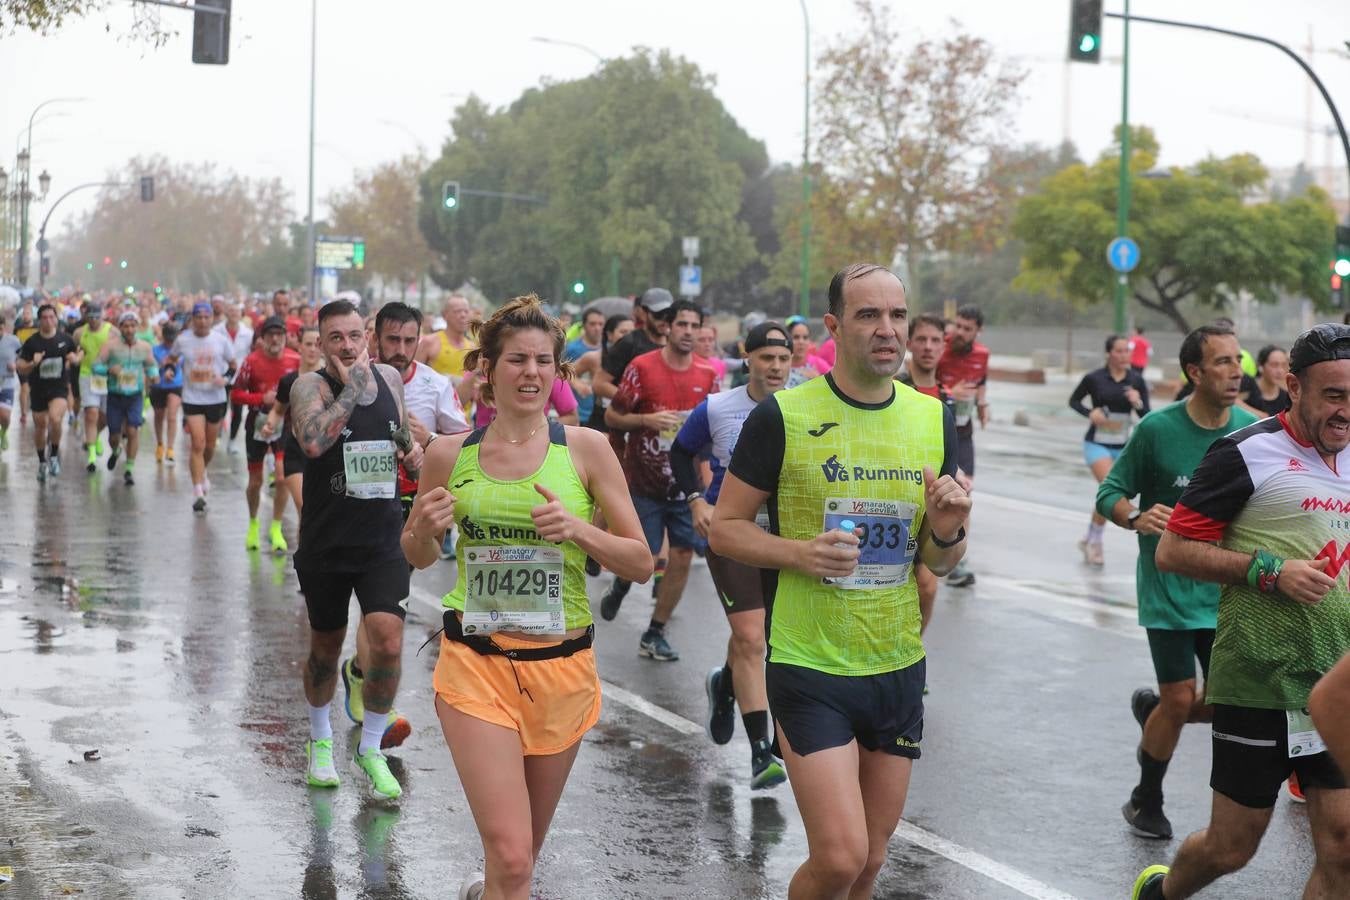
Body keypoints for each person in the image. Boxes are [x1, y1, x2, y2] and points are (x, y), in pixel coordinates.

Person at [710, 263, 969, 900]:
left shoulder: (934, 419)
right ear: (833, 326)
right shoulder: (783, 417)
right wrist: (799, 553)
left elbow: (940, 563)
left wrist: (946, 529)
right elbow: (724, 529)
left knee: (872, 860)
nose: (888, 330)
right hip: (810, 663)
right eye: (868, 315)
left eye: (898, 315)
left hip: (896, 663)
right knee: (839, 856)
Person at [402, 294, 651, 900]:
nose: (531, 372)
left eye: (544, 361)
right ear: (486, 368)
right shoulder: (447, 453)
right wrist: (423, 530)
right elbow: (416, 555)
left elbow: (641, 561)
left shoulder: (586, 449)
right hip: (474, 668)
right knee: (513, 861)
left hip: (561, 671)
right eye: (516, 359)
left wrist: (578, 529)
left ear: (558, 372)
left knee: (518, 863)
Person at [1133, 322, 1350, 900]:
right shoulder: (1246, 452)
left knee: (1344, 845)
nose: (1345, 412)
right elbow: (1173, 549)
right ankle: (1164, 892)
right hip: (1260, 678)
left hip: (1337, 680)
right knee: (1234, 845)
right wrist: (1268, 571)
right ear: (1293, 387)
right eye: (1333, 395)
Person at [1097, 324, 1258, 840]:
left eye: (1239, 361)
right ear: (1194, 372)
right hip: (1167, 590)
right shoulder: (1157, 431)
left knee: (1230, 701)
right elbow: (1110, 493)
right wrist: (1134, 518)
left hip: (1225, 591)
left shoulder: (1252, 432)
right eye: (1223, 362)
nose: (1236, 372)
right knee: (1183, 695)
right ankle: (1147, 798)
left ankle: (1156, 713)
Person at [288, 299, 423, 801]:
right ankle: (320, 739)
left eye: (354, 336)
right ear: (321, 342)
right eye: (336, 338)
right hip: (327, 542)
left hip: (383, 539)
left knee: (387, 641)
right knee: (326, 648)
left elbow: (401, 437)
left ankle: (371, 748)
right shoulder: (311, 387)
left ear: (365, 336)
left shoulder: (389, 378)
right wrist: (351, 391)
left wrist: (413, 451)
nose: (347, 346)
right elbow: (314, 442)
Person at [334, 302, 470, 750]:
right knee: (381, 607)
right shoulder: (354, 383)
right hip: (361, 506)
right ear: (374, 338)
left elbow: (464, 444)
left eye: (410, 341)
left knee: (386, 606)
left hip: (412, 509)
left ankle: (363, 677)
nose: (401, 350)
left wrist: (426, 442)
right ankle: (369, 686)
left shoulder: (434, 386)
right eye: (392, 340)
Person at [671, 320, 791, 789]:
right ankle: (762, 752)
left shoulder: (802, 408)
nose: (776, 367)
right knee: (751, 636)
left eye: (783, 359)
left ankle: (725, 684)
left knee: (756, 637)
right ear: (749, 359)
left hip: (782, 540)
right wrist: (696, 500)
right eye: (767, 358)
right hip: (730, 533)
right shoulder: (718, 407)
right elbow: (681, 453)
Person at [604, 299, 719, 661]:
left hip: (685, 488)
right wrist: (646, 422)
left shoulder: (707, 375)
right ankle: (621, 583)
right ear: (667, 327)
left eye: (694, 325)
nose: (687, 331)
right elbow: (613, 415)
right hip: (645, 481)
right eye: (681, 324)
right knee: (647, 558)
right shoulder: (642, 368)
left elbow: (712, 433)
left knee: (682, 555)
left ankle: (655, 631)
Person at [899, 312, 962, 663]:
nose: (927, 347)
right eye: (920, 339)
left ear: (943, 346)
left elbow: (961, 445)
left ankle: (910, 649)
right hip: (899, 502)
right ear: (909, 344)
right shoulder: (896, 389)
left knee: (928, 586)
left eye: (935, 340)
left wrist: (963, 478)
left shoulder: (949, 398)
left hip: (936, 506)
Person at [1069, 334, 1151, 567]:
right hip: (1097, 443)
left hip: (1123, 446)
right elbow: (1074, 401)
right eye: (1120, 351)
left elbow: (1147, 416)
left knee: (1111, 493)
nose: (1125, 355)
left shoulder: (1136, 380)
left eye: (1127, 351)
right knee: (1110, 489)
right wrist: (1090, 414)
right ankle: (1095, 541)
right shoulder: (1094, 378)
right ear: (1109, 354)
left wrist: (1138, 403)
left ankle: (1088, 537)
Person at [231, 316, 300, 553]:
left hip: (285, 424)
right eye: (270, 334)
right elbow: (236, 394)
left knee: (282, 477)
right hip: (258, 424)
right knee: (256, 481)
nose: (275, 339)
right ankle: (253, 524)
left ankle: (276, 528)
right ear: (262, 338)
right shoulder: (251, 362)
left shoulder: (295, 360)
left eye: (279, 334)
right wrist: (261, 398)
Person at [935, 303, 989, 588]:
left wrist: (982, 404)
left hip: (964, 433)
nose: (960, 332)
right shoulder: (940, 347)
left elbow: (981, 382)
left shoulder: (983, 355)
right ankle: (930, 551)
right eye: (957, 325)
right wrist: (949, 394)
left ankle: (958, 560)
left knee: (963, 493)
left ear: (978, 331)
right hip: (937, 429)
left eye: (967, 329)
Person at [169, 302, 238, 512]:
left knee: (209, 446)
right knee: (197, 444)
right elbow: (171, 359)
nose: (202, 321)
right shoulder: (183, 340)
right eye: (198, 317)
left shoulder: (221, 340)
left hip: (215, 398)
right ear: (193, 319)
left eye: (206, 317)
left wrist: (225, 380)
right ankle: (197, 489)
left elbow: (233, 365)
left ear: (211, 319)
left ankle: (202, 472)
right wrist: (170, 370)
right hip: (192, 397)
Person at [92, 311, 158, 486]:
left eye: (132, 326)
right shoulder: (110, 346)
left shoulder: (144, 347)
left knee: (132, 430)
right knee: (114, 434)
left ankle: (129, 469)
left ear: (137, 327)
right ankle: (116, 450)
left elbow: (151, 365)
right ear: (120, 327)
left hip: (135, 394)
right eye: (126, 326)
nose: (129, 329)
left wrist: (154, 375)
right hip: (115, 394)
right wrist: (109, 370)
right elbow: (95, 366)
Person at [263, 325, 323, 515]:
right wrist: (269, 424)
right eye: (308, 344)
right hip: (296, 451)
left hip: (325, 451)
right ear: (300, 347)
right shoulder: (289, 381)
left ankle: (305, 546)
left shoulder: (331, 378)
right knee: (305, 509)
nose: (312, 349)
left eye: (316, 344)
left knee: (316, 516)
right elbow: (278, 410)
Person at [16, 304, 79, 481]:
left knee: (55, 417)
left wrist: (75, 359)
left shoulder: (65, 339)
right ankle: (42, 461)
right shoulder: (32, 342)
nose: (49, 321)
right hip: (38, 389)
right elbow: (20, 368)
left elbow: (75, 355)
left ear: (56, 319)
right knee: (41, 426)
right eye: (44, 318)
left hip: (59, 388)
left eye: (52, 317)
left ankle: (54, 455)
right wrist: (32, 364)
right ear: (39, 320)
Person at [74, 302, 113, 472]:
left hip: (106, 376)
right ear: (86, 317)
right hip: (87, 374)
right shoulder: (79, 333)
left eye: (97, 317)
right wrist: (75, 358)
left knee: (104, 417)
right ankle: (91, 457)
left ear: (102, 315)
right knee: (91, 413)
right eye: (90, 317)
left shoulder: (112, 331)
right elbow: (77, 350)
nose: (94, 320)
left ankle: (96, 436)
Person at [578, 314, 633, 433]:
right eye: (623, 332)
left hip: (628, 419)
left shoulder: (639, 360)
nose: (628, 337)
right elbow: (565, 372)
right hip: (600, 420)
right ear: (610, 335)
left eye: (632, 333)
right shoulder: (594, 358)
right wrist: (579, 385)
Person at [214, 302, 255, 455]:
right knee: (220, 409)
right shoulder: (217, 331)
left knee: (237, 411)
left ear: (241, 314)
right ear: (226, 312)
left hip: (239, 377)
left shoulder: (248, 333)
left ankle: (232, 441)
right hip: (222, 374)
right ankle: (217, 434)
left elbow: (251, 354)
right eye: (231, 310)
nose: (234, 314)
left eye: (237, 311)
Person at [417, 293, 476, 381]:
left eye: (466, 311)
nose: (463, 315)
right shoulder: (429, 342)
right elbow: (414, 377)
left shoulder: (472, 348)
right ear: (445, 315)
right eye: (458, 311)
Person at [565, 307, 605, 426]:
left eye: (600, 324)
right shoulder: (573, 349)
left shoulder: (608, 348)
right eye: (592, 324)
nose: (597, 328)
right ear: (584, 325)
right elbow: (561, 373)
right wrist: (576, 383)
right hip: (580, 412)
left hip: (600, 412)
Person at [150, 323, 184, 464]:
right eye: (167, 339)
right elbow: (150, 367)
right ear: (163, 337)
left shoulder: (181, 351)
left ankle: (170, 448)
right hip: (158, 386)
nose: (170, 343)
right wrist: (161, 367)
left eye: (172, 340)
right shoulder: (155, 350)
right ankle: (160, 444)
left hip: (175, 386)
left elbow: (184, 366)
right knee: (159, 416)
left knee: (171, 416)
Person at [1242, 344, 1291, 418]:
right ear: (1260, 366)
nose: (1280, 370)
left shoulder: (1287, 398)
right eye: (1274, 365)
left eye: (1284, 365)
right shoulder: (1247, 385)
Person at [785, 316, 831, 388]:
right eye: (796, 337)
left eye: (805, 338)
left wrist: (819, 382)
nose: (801, 342)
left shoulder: (818, 364)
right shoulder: (781, 364)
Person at [0, 315, 19, 451]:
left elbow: (23, 356)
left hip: (7, 382)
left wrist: (16, 364)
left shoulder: (13, 341)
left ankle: (3, 433)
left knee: (5, 416)